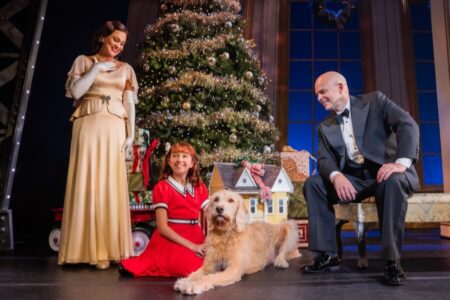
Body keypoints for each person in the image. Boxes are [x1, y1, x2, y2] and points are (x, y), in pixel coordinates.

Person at [302, 71, 420, 285]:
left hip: (388, 173)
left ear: (340, 87)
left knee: (392, 182)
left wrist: (400, 163)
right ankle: (327, 254)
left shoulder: (375, 101)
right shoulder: (324, 126)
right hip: (355, 180)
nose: (318, 98)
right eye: (316, 94)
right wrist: (337, 176)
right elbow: (323, 160)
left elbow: (407, 124)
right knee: (314, 184)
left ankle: (392, 262)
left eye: (322, 92)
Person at [58, 20, 138, 270]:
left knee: (111, 184)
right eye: (115, 40)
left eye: (122, 43)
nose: (118, 46)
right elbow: (76, 92)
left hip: (115, 126)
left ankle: (108, 249)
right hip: (89, 124)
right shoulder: (84, 61)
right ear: (103, 37)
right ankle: (82, 250)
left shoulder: (126, 69)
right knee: (86, 180)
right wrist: (97, 69)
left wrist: (131, 134)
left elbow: (130, 103)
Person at [118, 141, 209, 277]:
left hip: (195, 235)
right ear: (169, 161)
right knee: (191, 268)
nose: (179, 160)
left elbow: (211, 216)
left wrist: (210, 243)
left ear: (192, 163)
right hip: (170, 237)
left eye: (185, 156)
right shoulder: (162, 187)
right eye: (175, 156)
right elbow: (162, 228)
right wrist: (192, 246)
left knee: (210, 263)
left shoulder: (199, 187)